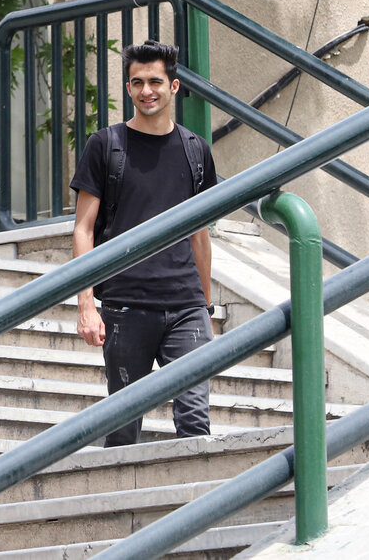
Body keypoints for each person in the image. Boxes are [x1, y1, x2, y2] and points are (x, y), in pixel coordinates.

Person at [70, 39, 219, 446]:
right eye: (136, 82)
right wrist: (86, 305)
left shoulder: (195, 151)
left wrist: (205, 307)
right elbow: (83, 229)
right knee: (122, 430)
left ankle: (197, 507)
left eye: (155, 81)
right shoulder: (106, 146)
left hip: (186, 307)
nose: (145, 91)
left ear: (173, 87)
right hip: (124, 307)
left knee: (195, 424)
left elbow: (200, 233)